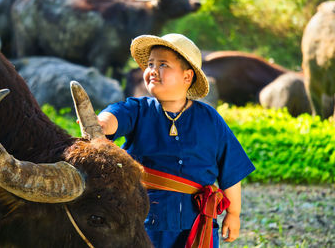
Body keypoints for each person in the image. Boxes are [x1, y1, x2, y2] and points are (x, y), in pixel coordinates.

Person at [98, 33, 255, 248]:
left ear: (187, 77)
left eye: (163, 64)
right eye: (150, 64)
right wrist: (101, 123)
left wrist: (234, 213)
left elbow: (231, 171)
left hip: (198, 224)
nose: (152, 70)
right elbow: (113, 117)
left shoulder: (210, 119)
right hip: (146, 222)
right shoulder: (137, 109)